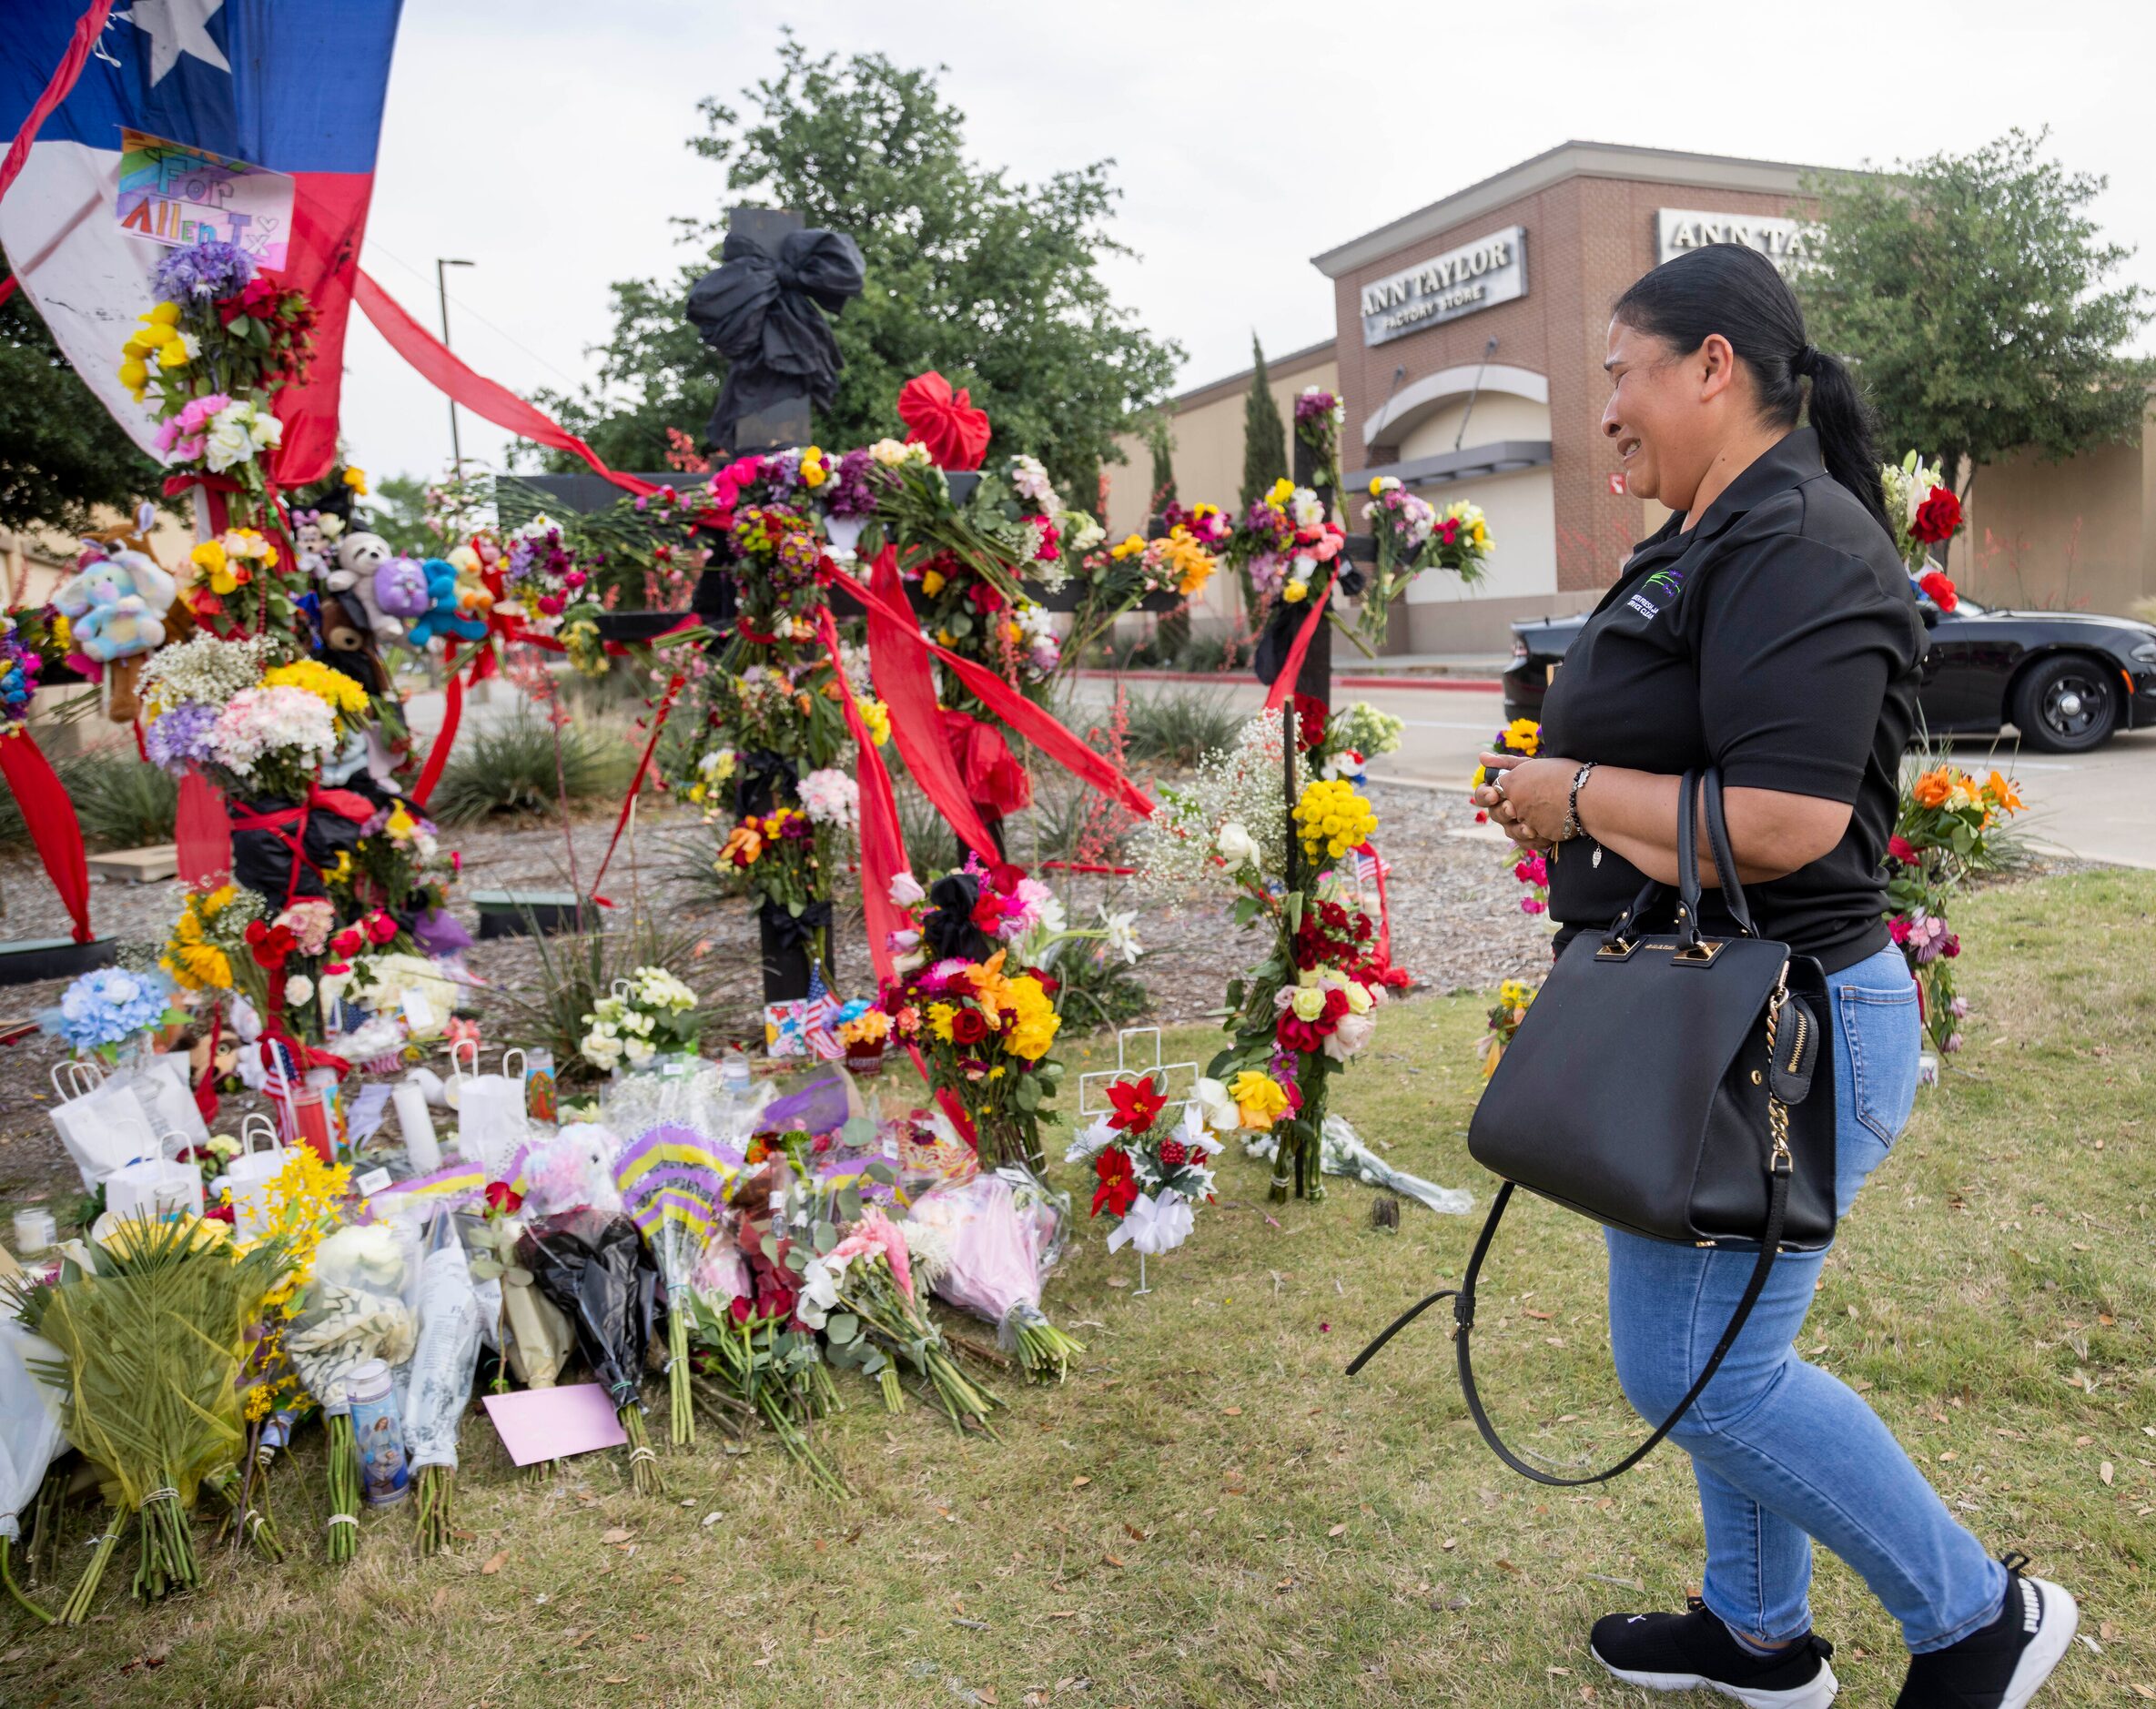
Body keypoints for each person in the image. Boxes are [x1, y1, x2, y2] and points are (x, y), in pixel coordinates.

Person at [1473, 243, 2078, 1709]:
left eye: (1620, 370)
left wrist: (1570, 792)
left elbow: (1788, 821)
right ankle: (1758, 1632)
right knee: (1707, 1345)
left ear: (1711, 367)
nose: (1605, 405)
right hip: (1696, 1019)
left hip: (1781, 1033)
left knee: (1705, 1371)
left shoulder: (1795, 540)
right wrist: (1567, 782)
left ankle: (1978, 1616)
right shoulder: (1713, 530)